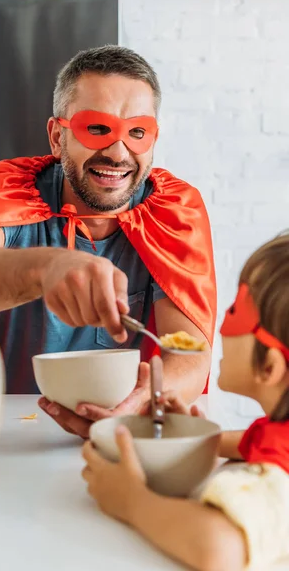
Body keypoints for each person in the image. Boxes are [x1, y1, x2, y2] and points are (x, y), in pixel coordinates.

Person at [0, 45, 216, 438]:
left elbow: (188, 352)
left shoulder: (174, 210)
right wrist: (47, 268)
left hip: (121, 434)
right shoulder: (11, 189)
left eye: (137, 133)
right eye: (96, 129)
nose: (118, 152)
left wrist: (142, 403)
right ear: (57, 137)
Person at [82, 232, 289, 571]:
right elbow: (250, 443)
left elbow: (218, 549)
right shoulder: (278, 433)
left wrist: (130, 499)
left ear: (269, 366)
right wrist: (189, 435)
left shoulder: (277, 482)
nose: (220, 323)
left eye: (236, 310)